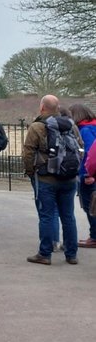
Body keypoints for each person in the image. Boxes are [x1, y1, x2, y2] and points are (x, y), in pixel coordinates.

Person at [22, 94, 84, 265]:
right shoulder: (71, 126)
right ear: (58, 107)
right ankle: (71, 254)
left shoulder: (37, 127)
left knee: (47, 216)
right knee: (68, 216)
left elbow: (28, 153)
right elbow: (80, 147)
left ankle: (45, 254)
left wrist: (30, 172)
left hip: (46, 178)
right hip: (69, 178)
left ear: (42, 107)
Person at [69, 103, 96, 247]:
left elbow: (91, 154)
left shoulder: (85, 130)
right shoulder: (94, 126)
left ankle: (94, 237)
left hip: (89, 176)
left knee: (90, 206)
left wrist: (87, 174)